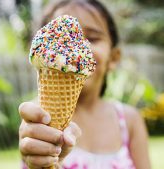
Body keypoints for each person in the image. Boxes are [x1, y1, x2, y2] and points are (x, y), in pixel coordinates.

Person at [19, 0, 151, 168]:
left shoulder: (129, 121)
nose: (76, 47)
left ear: (114, 57)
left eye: (93, 38)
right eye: (60, 38)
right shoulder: (36, 119)